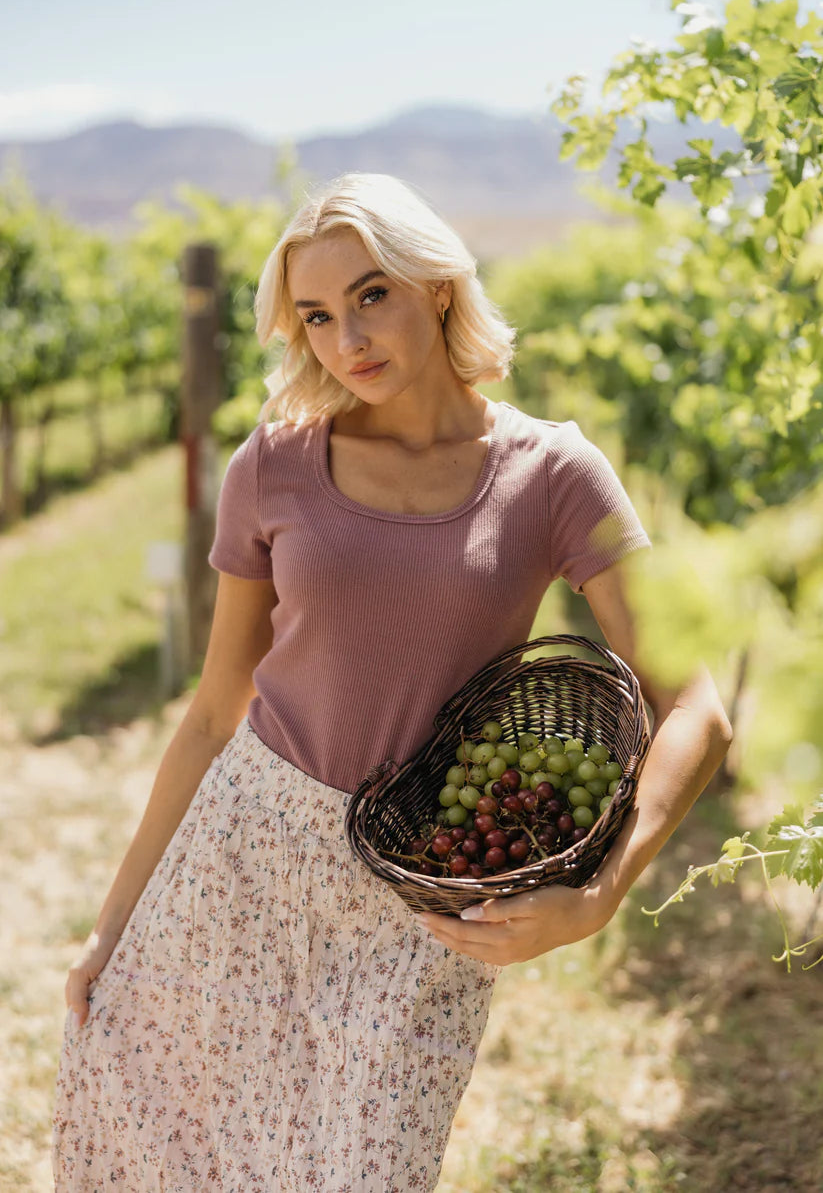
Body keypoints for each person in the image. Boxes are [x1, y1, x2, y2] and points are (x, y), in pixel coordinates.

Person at [52, 171, 732, 1191]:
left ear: (438, 287)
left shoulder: (553, 472)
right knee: (170, 1154)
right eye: (317, 316)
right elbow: (213, 711)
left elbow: (696, 706)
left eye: (371, 294)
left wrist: (598, 893)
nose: (347, 339)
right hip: (242, 863)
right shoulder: (273, 465)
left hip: (422, 895)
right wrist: (114, 923)